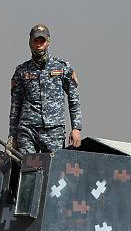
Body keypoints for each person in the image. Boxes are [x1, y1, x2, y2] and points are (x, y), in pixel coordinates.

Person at [9, 24, 82, 154]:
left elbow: (74, 100)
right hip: (28, 130)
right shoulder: (22, 71)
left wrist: (76, 128)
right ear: (30, 42)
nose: (38, 44)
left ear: (48, 42)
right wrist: (12, 136)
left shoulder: (62, 68)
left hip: (54, 130)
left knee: (53, 165)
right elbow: (15, 105)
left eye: (42, 41)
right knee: (27, 165)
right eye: (35, 40)